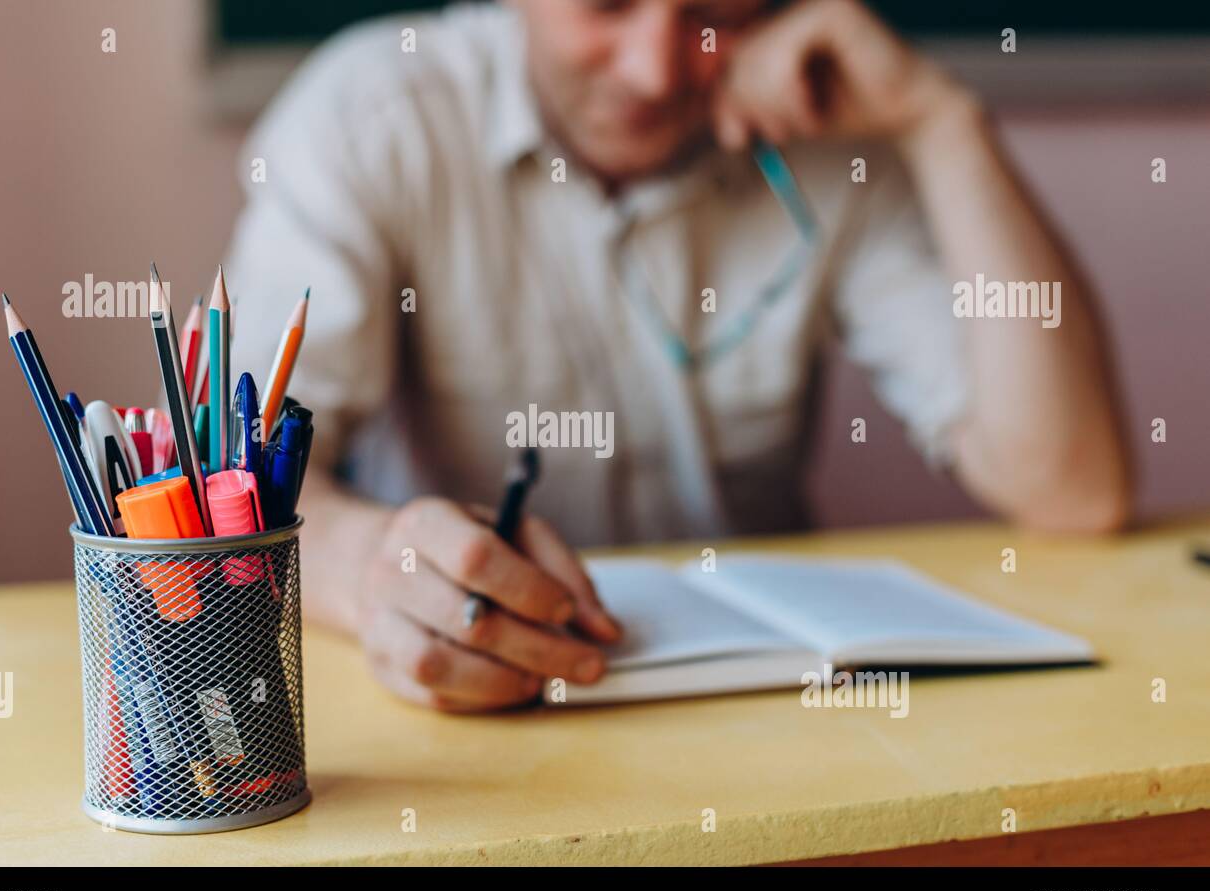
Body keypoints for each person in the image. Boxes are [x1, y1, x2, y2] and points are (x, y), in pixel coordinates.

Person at [226, 0, 1129, 712]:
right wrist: (373, 567)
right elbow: (234, 480)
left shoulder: (829, 134)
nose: (655, 69)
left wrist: (940, 119)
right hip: (459, 722)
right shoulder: (369, 116)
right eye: (608, 4)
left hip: (775, 730)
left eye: (715, 14)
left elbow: (1072, 485)